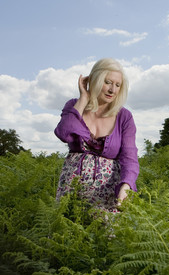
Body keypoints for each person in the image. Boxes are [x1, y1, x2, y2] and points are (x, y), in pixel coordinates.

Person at [54, 58, 139, 213]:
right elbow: (63, 133)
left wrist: (126, 186)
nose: (112, 90)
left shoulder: (124, 117)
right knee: (67, 234)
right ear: (96, 80)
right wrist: (83, 98)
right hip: (71, 190)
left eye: (117, 85)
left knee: (106, 235)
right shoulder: (74, 105)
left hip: (108, 195)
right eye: (108, 82)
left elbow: (130, 158)